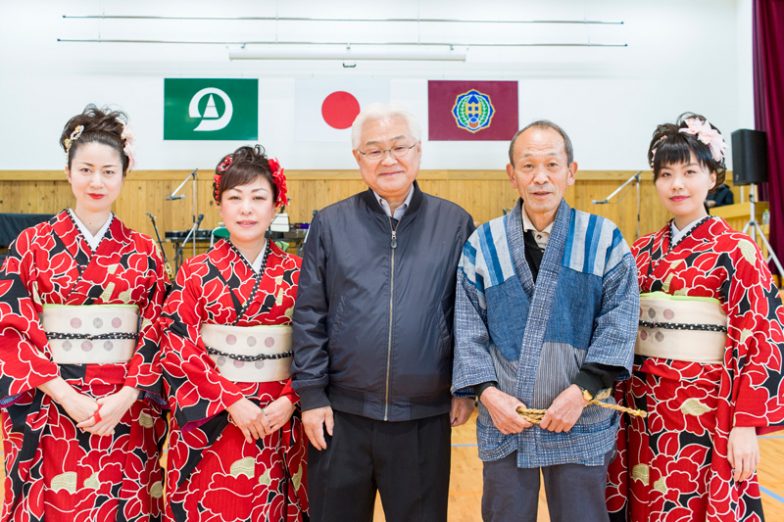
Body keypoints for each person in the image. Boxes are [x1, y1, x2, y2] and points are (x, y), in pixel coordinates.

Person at [291, 103, 475, 522]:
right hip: (341, 417)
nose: (388, 159)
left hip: (423, 417)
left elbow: (469, 315)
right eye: (373, 150)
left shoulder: (455, 223)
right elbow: (309, 315)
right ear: (358, 159)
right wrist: (314, 396)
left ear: (418, 151)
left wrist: (464, 387)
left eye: (399, 146)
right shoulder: (331, 224)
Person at [452, 120, 639, 522]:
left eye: (552, 165)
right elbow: (468, 329)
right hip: (506, 419)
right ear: (511, 174)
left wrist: (582, 392)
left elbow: (619, 322)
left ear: (571, 172)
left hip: (580, 415)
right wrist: (487, 394)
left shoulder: (603, 238)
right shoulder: (483, 244)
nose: (540, 177)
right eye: (528, 166)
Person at [606, 114, 784, 521]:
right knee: (646, 502)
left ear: (713, 177)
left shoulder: (737, 250)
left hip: (708, 408)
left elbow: (761, 337)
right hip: (643, 405)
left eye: (689, 171)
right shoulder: (640, 251)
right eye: (665, 174)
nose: (677, 184)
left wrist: (745, 424)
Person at [0, 105, 168, 520]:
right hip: (51, 399)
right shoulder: (31, 244)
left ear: (124, 174)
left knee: (123, 501)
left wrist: (127, 395)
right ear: (68, 171)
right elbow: (12, 328)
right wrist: (65, 395)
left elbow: (159, 329)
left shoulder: (144, 250)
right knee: (56, 499)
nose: (97, 181)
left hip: (125, 407)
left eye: (109, 171)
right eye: (87, 169)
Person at [160, 145, 308, 521]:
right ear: (220, 206)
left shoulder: (300, 271)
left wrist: (291, 399)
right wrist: (230, 400)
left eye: (259, 197)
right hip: (214, 416)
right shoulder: (194, 272)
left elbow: (318, 341)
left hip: (278, 415)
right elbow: (178, 343)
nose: (246, 209)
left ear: (277, 205)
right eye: (235, 198)